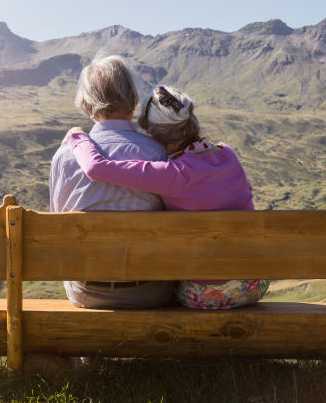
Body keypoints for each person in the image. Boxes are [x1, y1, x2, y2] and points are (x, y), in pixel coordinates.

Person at [63, 84, 269, 309]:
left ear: (154, 135)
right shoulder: (228, 154)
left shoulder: (173, 175)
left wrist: (77, 136)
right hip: (253, 283)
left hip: (207, 294)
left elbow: (96, 168)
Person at [49, 55, 176, 308]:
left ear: (85, 103)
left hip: (86, 291)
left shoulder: (64, 157)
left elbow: (56, 228)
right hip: (150, 290)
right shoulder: (158, 153)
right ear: (133, 100)